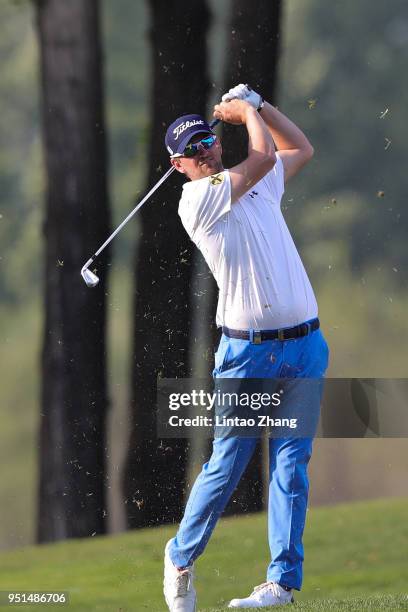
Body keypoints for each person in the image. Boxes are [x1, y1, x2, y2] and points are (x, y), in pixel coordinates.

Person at [162, 84, 329, 610]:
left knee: (291, 464)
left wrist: (262, 105)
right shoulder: (199, 200)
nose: (206, 150)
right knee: (228, 464)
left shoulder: (257, 186)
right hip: (247, 355)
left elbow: (297, 149)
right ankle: (180, 558)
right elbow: (259, 156)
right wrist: (248, 112)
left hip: (306, 346)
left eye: (207, 140)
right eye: (194, 150)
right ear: (179, 165)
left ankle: (280, 584)